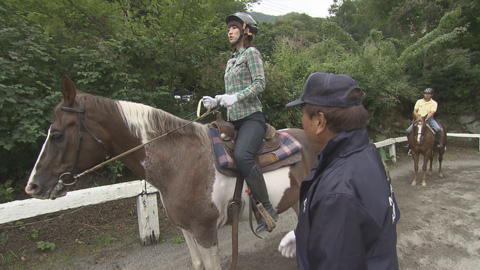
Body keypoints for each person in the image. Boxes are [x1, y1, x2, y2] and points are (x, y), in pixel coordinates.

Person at [278, 72, 400, 269]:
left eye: (302, 113)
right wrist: (305, 234)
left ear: (320, 121)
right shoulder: (367, 153)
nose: (301, 120)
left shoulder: (338, 191)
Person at [202, 12, 277, 233]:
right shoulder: (231, 60)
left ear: (246, 31)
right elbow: (231, 92)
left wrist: (236, 97)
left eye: (234, 28)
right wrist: (217, 101)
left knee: (242, 156)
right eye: (228, 29)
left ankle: (268, 208)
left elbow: (260, 84)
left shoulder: (251, 54)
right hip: (233, 120)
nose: (229, 32)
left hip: (252, 118)